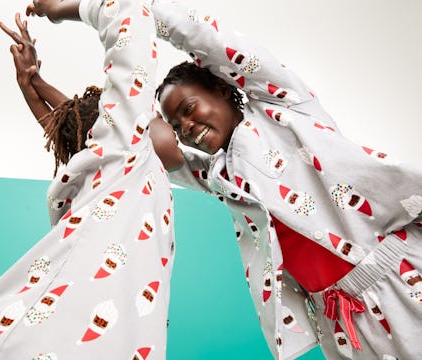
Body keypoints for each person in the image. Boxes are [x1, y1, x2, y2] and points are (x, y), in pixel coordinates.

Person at [148, 1, 422, 359]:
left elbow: (208, 39)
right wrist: (137, 124)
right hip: (342, 318)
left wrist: (117, 11)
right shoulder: (222, 178)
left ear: (222, 87)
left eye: (188, 109)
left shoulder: (285, 112)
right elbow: (165, 159)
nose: (186, 127)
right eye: (177, 127)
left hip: (401, 282)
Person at [0, 0, 174, 359]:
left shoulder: (107, 177)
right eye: (160, 116)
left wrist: (33, 82)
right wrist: (62, 8)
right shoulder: (133, 151)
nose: (174, 127)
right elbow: (129, 16)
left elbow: (79, 131)